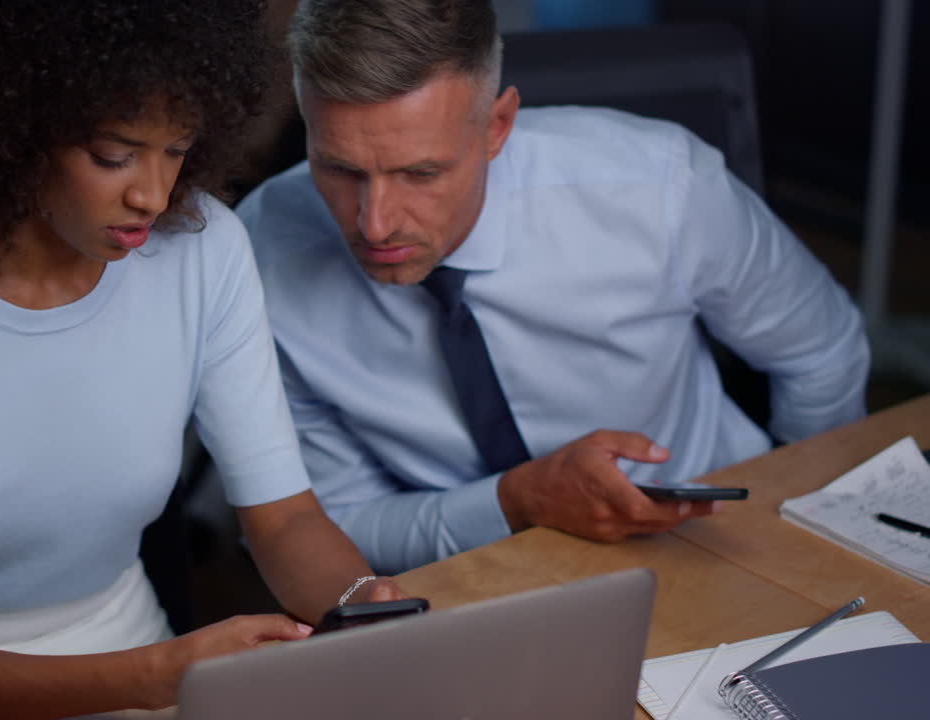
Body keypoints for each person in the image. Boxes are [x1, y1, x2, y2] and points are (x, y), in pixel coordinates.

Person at [0, 2, 403, 718]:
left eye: (176, 151)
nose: (153, 195)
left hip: (128, 655)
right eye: (114, 155)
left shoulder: (203, 251)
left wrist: (360, 605)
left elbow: (284, 520)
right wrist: (159, 676)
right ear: (15, 127)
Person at [236, 0, 869, 575]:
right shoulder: (259, 257)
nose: (374, 224)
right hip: (465, 584)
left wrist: (795, 529)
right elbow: (332, 522)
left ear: (497, 126)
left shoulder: (663, 189)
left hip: (714, 542)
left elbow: (820, 352)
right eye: (340, 168)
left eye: (420, 172)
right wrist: (513, 504)